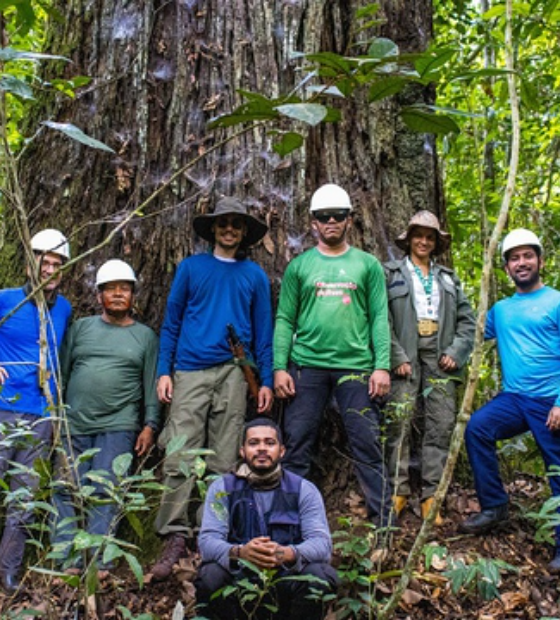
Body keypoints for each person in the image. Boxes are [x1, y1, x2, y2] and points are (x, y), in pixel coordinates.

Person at [151, 197, 274, 580]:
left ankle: (211, 532)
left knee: (223, 458)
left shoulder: (253, 275)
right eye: (223, 223)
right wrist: (164, 371)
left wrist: (265, 379)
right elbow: (171, 322)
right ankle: (172, 532)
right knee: (180, 453)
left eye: (237, 224)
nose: (229, 230)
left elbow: (264, 332)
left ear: (244, 232)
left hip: (236, 373)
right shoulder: (191, 268)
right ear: (213, 229)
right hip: (189, 369)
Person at [274, 183, 393, 528]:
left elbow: (379, 317)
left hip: (355, 367)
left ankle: (384, 523)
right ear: (312, 222)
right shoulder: (300, 267)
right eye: (323, 217)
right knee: (297, 442)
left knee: (367, 442)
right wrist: (280, 368)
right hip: (307, 365)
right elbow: (285, 318)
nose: (330, 222)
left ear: (349, 221)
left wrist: (381, 366)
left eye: (337, 216)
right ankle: (286, 521)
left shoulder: (367, 265)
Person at [459, 229, 560, 571]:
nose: (521, 263)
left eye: (527, 256)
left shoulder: (556, 301)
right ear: (505, 268)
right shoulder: (501, 310)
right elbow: (469, 336)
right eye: (514, 258)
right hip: (514, 399)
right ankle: (495, 506)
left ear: (540, 261)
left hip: (551, 401)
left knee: (557, 472)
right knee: (477, 428)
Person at [51, 259, 159, 570]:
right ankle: (64, 561)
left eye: (123, 289)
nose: (116, 294)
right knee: (64, 489)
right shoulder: (81, 328)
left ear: (133, 296)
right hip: (73, 425)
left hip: (118, 426)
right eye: (109, 289)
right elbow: (62, 374)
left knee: (106, 492)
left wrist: (150, 425)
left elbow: (151, 383)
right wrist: (56, 416)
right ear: (99, 295)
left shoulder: (145, 337)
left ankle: (99, 565)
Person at [196, 417, 338, 620]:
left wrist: (286, 553)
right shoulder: (222, 488)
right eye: (254, 443)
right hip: (240, 583)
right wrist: (239, 552)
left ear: (282, 451)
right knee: (210, 575)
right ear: (242, 451)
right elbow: (207, 542)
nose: (262, 448)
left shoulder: (304, 489)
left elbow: (322, 544)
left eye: (269, 443)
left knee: (321, 574)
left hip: (285, 583)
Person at [384, 211, 475, 524]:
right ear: (409, 239)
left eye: (430, 236)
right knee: (399, 420)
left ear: (436, 242)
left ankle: (431, 495)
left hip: (440, 355)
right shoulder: (391, 273)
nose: (423, 241)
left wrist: (456, 351)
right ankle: (398, 489)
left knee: (440, 423)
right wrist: (395, 355)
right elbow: (380, 319)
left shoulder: (448, 278)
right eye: (418, 235)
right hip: (406, 354)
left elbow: (468, 322)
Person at [0, 229, 72, 593]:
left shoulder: (64, 308)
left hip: (42, 414)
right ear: (30, 264)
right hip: (4, 408)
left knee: (24, 499)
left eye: (57, 264)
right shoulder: (6, 300)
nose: (50, 269)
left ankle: (8, 571)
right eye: (44, 262)